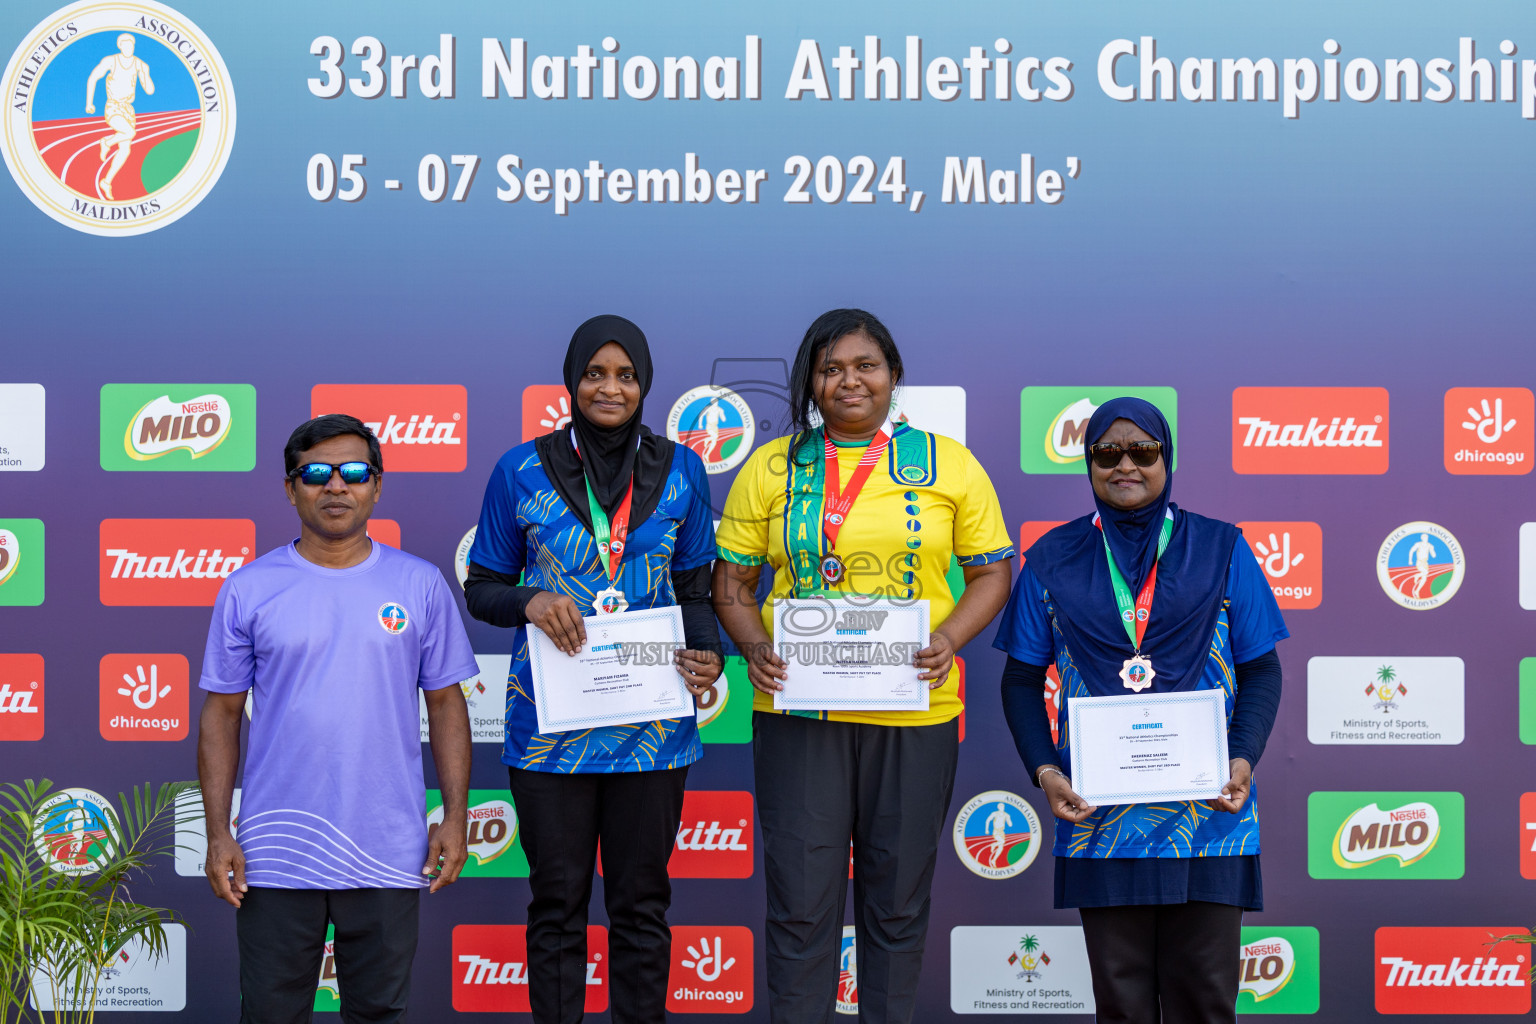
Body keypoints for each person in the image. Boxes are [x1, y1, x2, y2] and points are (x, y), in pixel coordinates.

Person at [712, 308, 1014, 1024]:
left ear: (894, 376)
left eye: (865, 366)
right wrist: (754, 645)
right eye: (830, 368)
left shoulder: (948, 463)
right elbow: (730, 583)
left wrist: (948, 639)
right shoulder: (772, 465)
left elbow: (994, 572)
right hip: (800, 714)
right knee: (799, 905)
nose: (849, 380)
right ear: (810, 383)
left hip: (914, 712)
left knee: (898, 902)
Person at [462, 315, 722, 1024]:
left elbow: (698, 590)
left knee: (642, 905)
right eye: (595, 373)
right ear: (572, 381)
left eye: (626, 375)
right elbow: (481, 586)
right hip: (552, 727)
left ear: (645, 385)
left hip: (652, 727)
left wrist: (708, 654)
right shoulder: (520, 468)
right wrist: (531, 599)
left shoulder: (682, 470)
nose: (610, 388)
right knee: (557, 903)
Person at [995, 397, 1288, 1024]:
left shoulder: (1223, 548)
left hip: (1209, 817)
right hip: (1101, 820)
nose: (1125, 465)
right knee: (1122, 1005)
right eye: (1106, 452)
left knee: (1206, 1001)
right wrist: (1047, 774)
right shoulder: (1052, 559)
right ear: (1089, 463)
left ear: (1167, 458)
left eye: (1143, 451)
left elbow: (1261, 666)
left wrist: (1240, 760)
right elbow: (1020, 679)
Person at [197, 413, 478, 1024]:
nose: (335, 486)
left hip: (387, 847)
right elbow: (220, 716)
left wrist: (455, 818)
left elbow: (447, 705)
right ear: (290, 487)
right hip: (274, 850)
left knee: (378, 1014)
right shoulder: (249, 588)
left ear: (376, 486)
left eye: (353, 472)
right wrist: (218, 831)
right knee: (271, 1014)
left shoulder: (420, 584)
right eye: (315, 473)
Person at [84, 33, 153, 200]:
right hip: (113, 107)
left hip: (128, 110)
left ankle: (106, 182)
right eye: (125, 44)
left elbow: (150, 91)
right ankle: (106, 142)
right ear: (120, 46)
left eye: (132, 45)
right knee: (129, 133)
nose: (129, 48)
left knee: (125, 150)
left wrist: (145, 73)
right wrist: (89, 103)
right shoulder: (111, 61)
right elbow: (93, 78)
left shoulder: (140, 64)